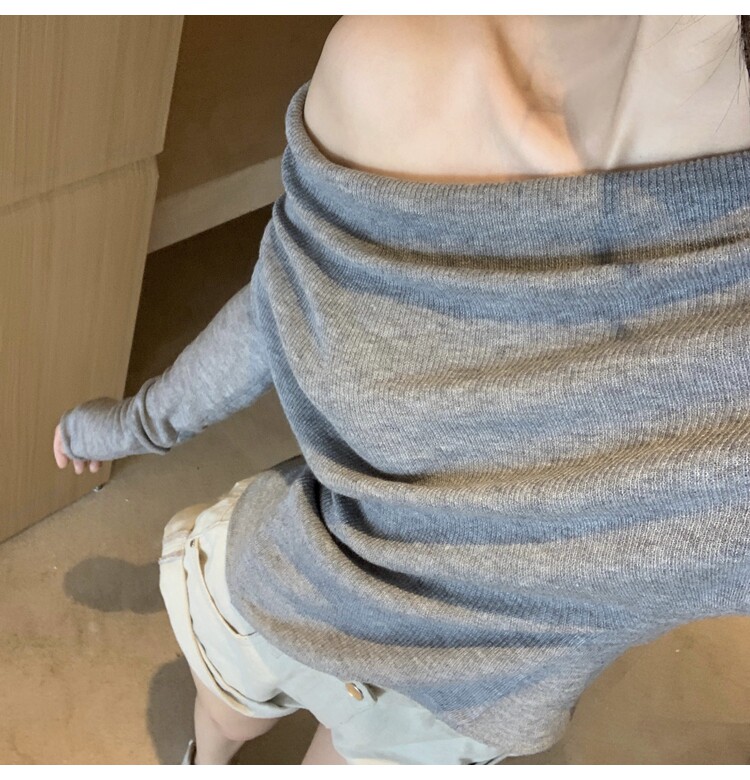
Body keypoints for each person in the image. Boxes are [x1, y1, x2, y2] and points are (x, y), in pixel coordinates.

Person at [54, 16, 750, 765]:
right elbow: (278, 306)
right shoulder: (393, 63)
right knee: (227, 723)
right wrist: (130, 425)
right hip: (291, 586)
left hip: (469, 708)